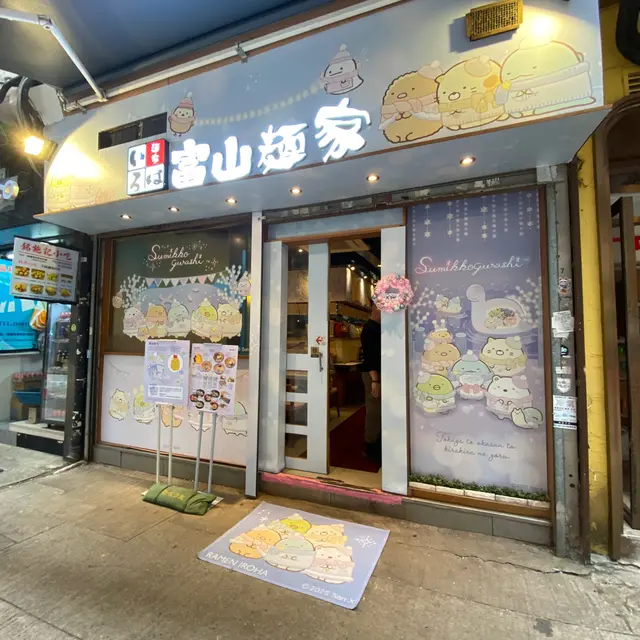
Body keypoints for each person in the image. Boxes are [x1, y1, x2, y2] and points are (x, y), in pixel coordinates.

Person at [360, 302, 381, 464]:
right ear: (374, 308)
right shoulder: (369, 329)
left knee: (378, 409)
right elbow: (369, 356)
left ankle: (376, 442)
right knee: (374, 410)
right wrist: (375, 380)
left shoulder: (378, 327)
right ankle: (370, 445)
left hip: (377, 375)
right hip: (372, 375)